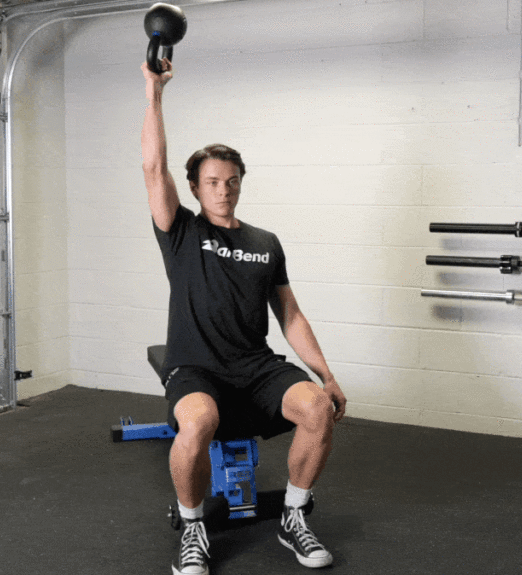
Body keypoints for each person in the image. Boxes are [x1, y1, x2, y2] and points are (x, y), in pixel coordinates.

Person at [141, 58, 347, 575]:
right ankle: (193, 528)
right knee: (199, 422)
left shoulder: (264, 242)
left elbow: (290, 314)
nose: (224, 189)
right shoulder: (182, 232)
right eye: (212, 181)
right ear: (194, 187)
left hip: (254, 365)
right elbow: (151, 165)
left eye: (232, 180)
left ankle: (294, 518)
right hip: (196, 367)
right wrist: (155, 93)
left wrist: (325, 371)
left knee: (319, 409)